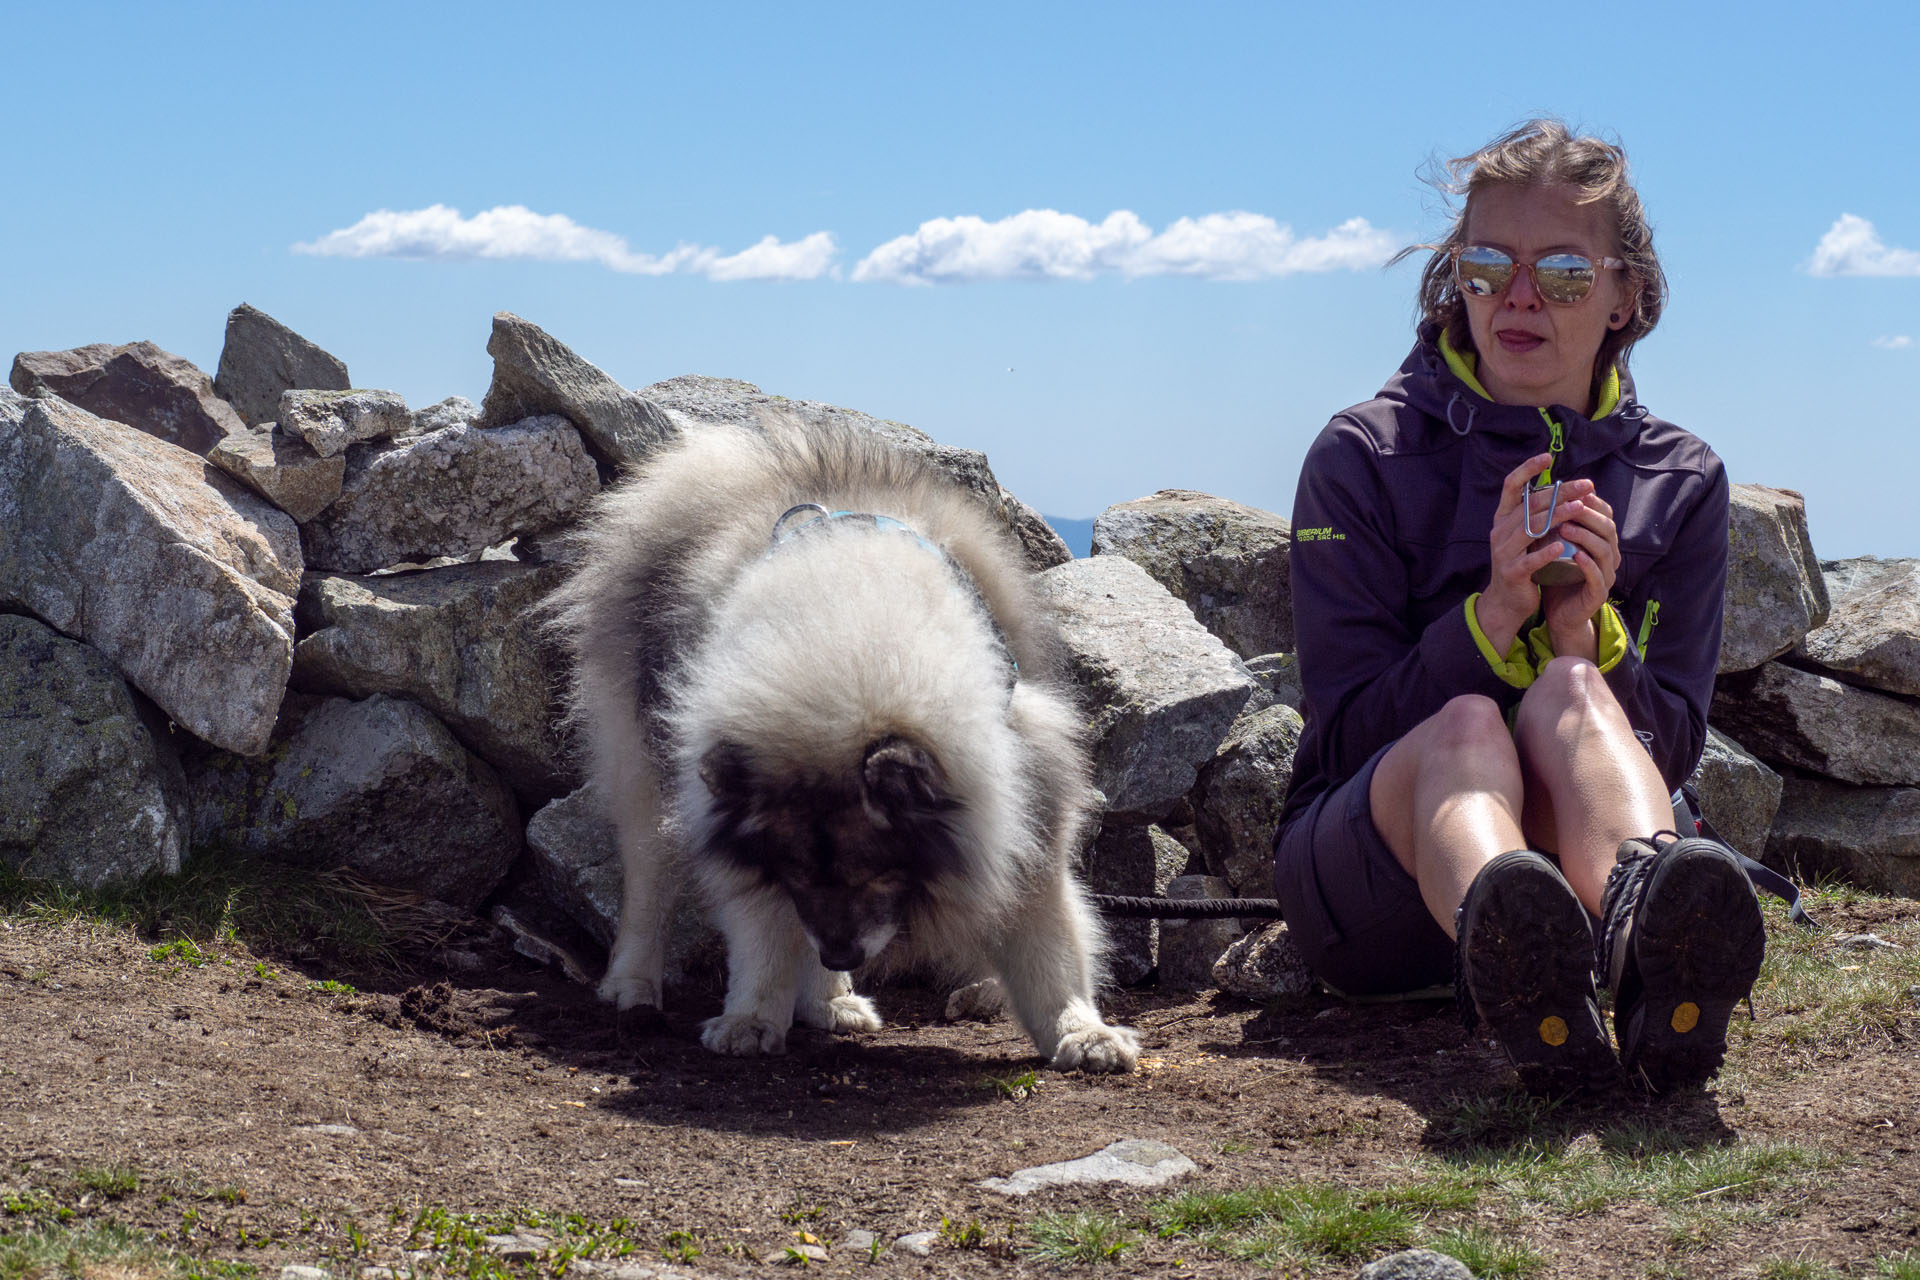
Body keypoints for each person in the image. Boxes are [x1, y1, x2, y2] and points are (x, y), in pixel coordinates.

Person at [1272, 120, 1766, 1093]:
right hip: (1368, 888)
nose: (1522, 296)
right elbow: (1345, 737)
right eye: (1490, 263)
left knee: (1575, 687)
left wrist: (1590, 633)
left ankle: (1626, 946)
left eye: (1566, 274)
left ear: (1626, 293)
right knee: (1466, 723)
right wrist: (1492, 618)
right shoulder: (1362, 458)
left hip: (1580, 851)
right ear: (1457, 274)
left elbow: (1670, 746)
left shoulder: (1681, 480)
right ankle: (1521, 956)